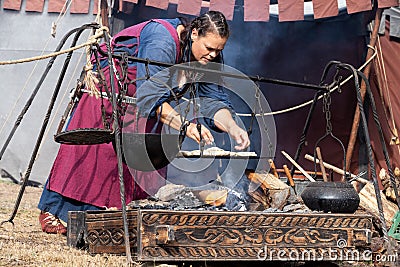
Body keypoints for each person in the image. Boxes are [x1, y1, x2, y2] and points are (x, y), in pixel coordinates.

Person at [37, 10, 251, 235]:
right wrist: (186, 126)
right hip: (111, 92)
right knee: (95, 154)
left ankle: (115, 217)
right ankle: (55, 210)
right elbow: (150, 95)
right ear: (195, 34)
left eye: (219, 51)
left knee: (140, 160)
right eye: (209, 48)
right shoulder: (162, 40)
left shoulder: (209, 57)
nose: (213, 55)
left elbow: (214, 99)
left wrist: (232, 126)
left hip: (147, 106)